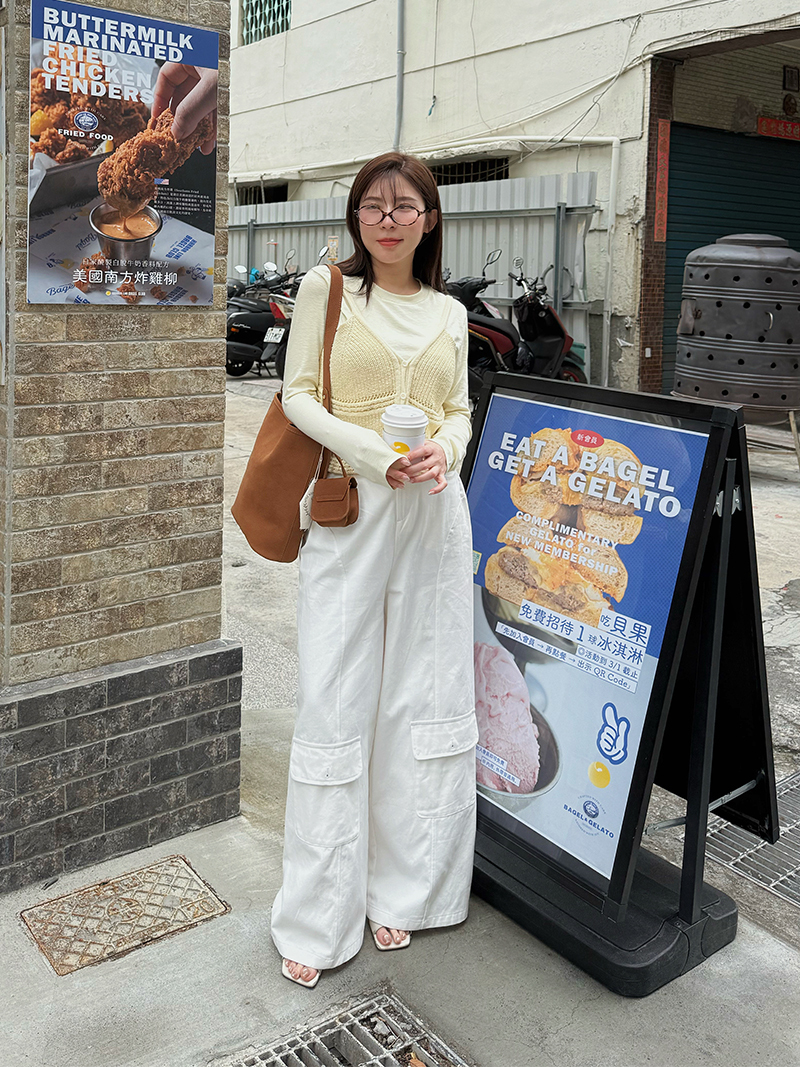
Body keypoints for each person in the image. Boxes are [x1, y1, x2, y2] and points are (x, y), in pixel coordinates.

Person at [272, 152, 477, 988]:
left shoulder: (451, 312)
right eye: (372, 206)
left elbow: (459, 408)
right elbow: (296, 396)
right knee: (335, 698)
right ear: (356, 217)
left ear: (430, 219)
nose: (388, 220)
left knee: (420, 696)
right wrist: (371, 454)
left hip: (433, 515)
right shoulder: (327, 290)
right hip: (351, 510)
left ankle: (405, 890)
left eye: (404, 207)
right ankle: (318, 915)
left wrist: (446, 449)